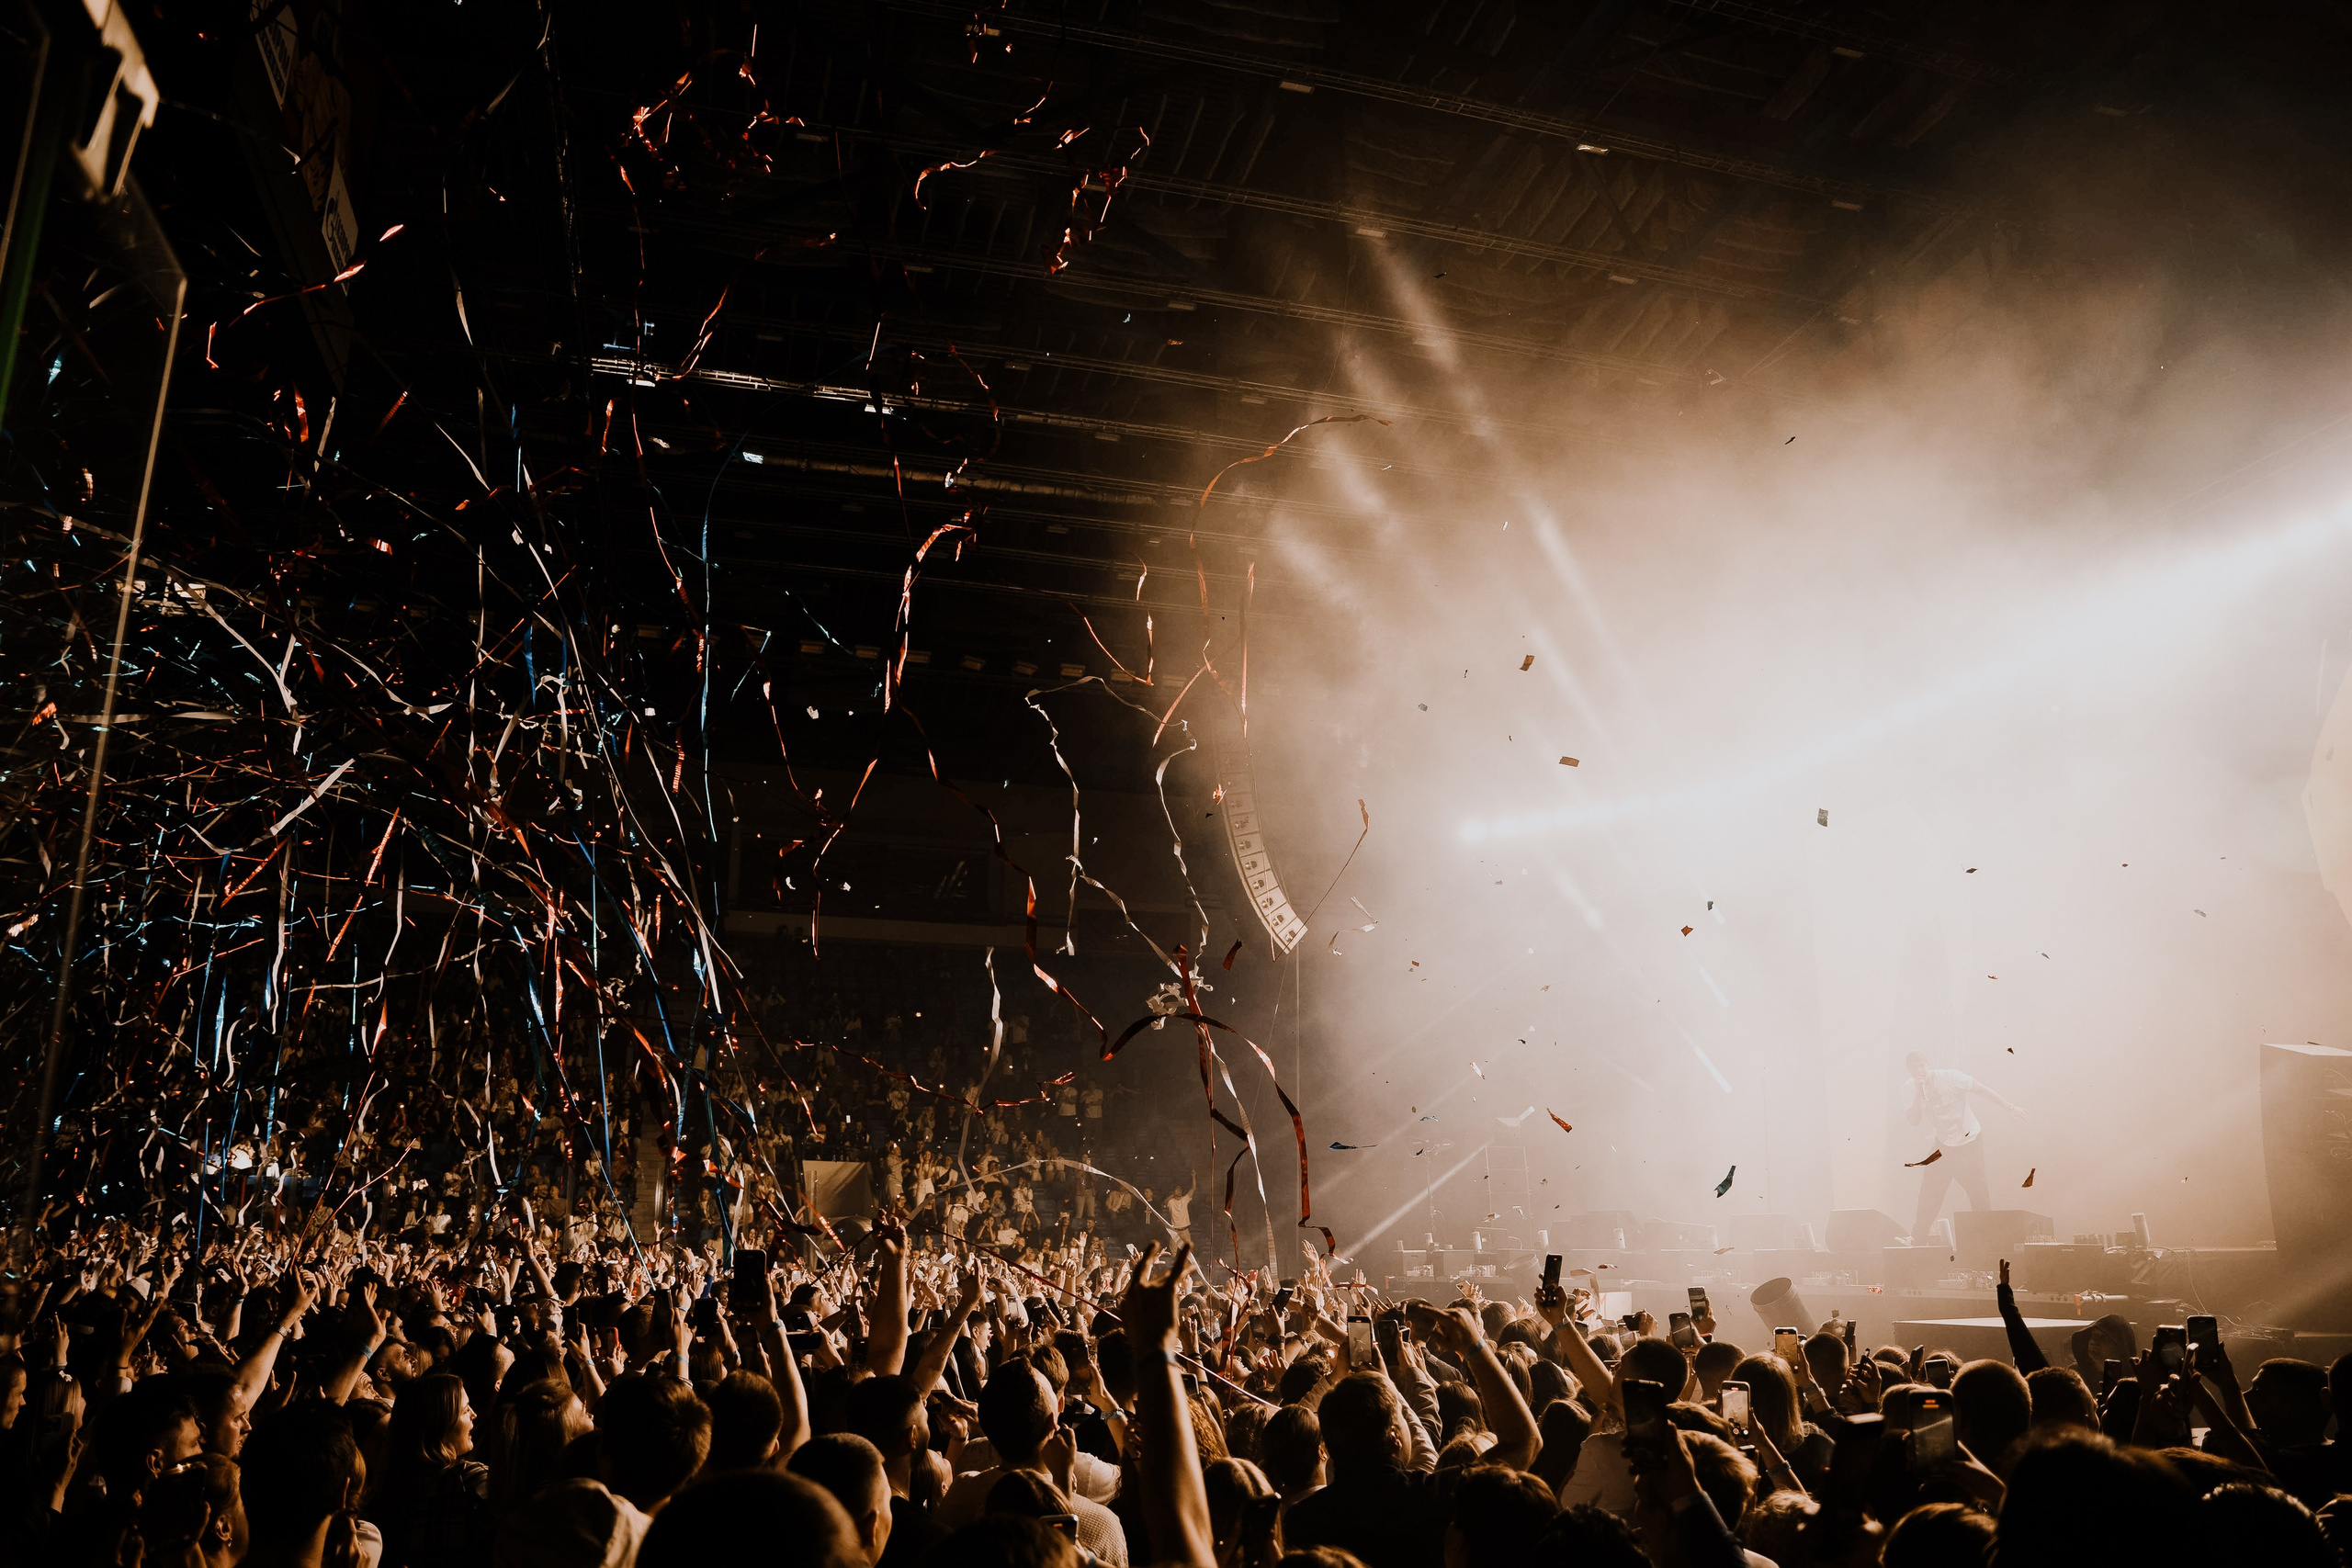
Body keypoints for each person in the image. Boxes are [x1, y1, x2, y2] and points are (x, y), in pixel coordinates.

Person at [1902, 1051, 2025, 1244]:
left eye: (1922, 1065)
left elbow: (1982, 1090)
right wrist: (1919, 1093)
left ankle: (1987, 1240)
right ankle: (1917, 1237)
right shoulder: (1909, 1089)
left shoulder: (1950, 1077)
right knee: (1929, 1190)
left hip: (1969, 1141)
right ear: (1909, 1071)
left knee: (1977, 1191)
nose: (1920, 1070)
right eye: (1915, 1067)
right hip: (1943, 1144)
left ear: (1928, 1065)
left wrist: (2010, 1108)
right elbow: (1914, 1120)